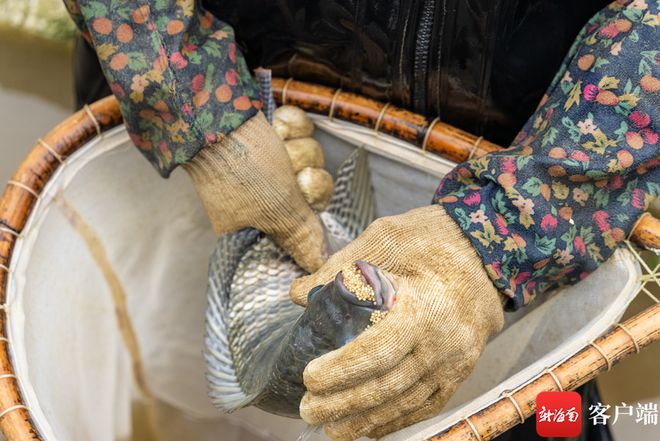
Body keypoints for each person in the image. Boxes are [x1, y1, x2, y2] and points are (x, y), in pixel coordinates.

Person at [64, 1, 658, 440]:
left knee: (532, 410)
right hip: (201, 89)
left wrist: (506, 232)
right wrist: (191, 105)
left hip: (521, 148)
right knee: (155, 351)